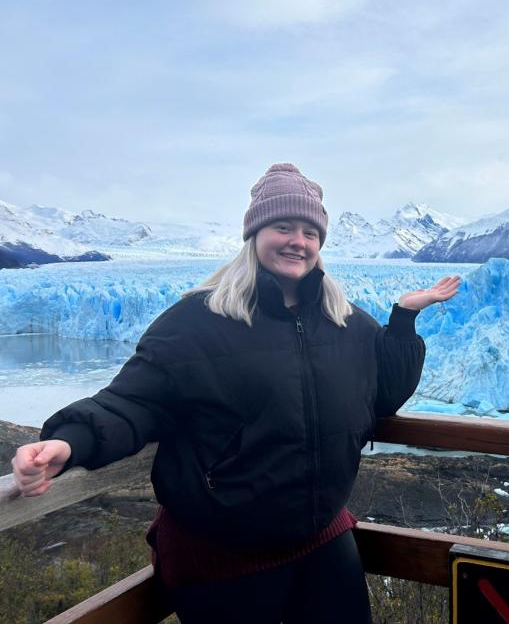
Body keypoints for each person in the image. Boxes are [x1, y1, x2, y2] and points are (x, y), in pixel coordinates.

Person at [11, 163, 460, 623]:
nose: (297, 241)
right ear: (254, 235)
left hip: (321, 533)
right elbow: (133, 402)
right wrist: (69, 441)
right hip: (220, 553)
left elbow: (381, 396)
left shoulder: (344, 320)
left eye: (309, 231)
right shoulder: (195, 322)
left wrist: (403, 320)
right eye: (282, 226)